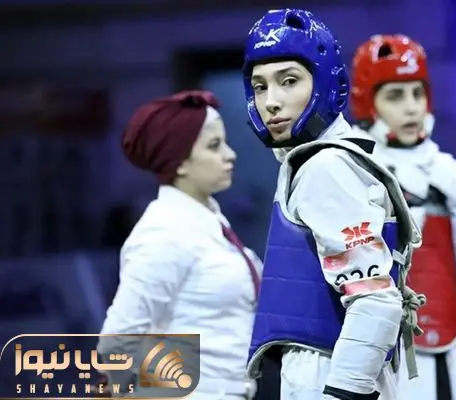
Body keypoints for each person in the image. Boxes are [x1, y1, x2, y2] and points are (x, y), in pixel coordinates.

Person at [242, 9, 426, 400]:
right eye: (260, 86)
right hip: (329, 367)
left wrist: (343, 393)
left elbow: (375, 300)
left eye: (289, 81)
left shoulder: (325, 167)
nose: (271, 101)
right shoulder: (321, 160)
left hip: (328, 372)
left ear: (325, 82)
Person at [350, 34, 456, 400]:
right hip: (366, 358)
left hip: (442, 356)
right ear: (368, 102)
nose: (411, 108)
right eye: (395, 96)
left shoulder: (450, 175)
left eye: (417, 93)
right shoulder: (349, 167)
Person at [96, 90, 261, 400]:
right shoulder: (164, 231)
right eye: (214, 146)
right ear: (180, 161)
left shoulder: (209, 219)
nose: (230, 155)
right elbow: (117, 343)